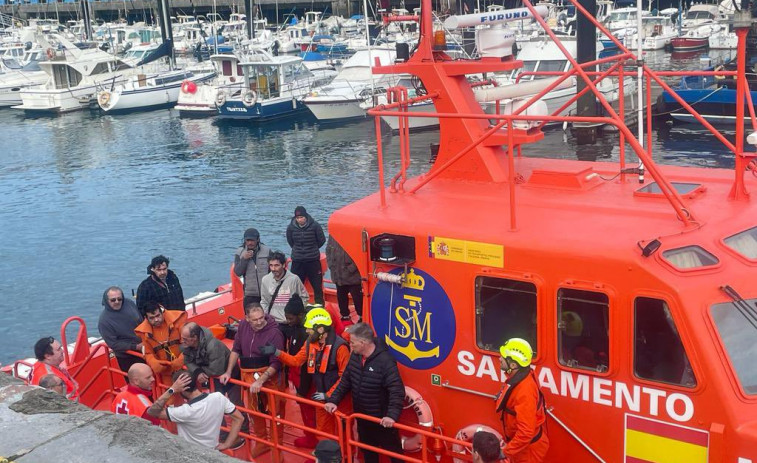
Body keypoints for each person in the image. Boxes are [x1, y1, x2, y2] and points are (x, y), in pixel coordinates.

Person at [262, 306, 351, 439]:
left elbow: (345, 377)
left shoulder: (341, 348)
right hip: (321, 399)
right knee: (323, 434)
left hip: (340, 401)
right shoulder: (310, 343)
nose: (307, 330)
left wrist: (328, 395)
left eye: (310, 328)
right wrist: (276, 352)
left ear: (321, 329)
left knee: (343, 435)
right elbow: (296, 361)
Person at [324, 323, 404, 463]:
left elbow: (396, 390)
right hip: (362, 419)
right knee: (368, 455)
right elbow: (346, 380)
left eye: (352, 342)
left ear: (363, 342)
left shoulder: (386, 362)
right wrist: (333, 399)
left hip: (381, 422)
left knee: (395, 456)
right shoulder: (355, 357)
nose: (351, 345)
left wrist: (391, 416)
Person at [219, 303, 285, 458]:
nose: (260, 322)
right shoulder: (242, 326)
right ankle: (262, 443)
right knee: (256, 412)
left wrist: (261, 380)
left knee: (276, 415)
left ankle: (277, 448)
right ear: (247, 318)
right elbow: (236, 349)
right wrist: (228, 372)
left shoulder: (275, 333)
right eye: (255, 319)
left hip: (271, 380)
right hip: (249, 378)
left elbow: (277, 362)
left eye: (262, 318)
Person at [147, 370, 245, 451]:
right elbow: (239, 418)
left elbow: (152, 412)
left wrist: (172, 389)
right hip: (213, 453)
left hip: (192, 456)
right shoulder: (218, 397)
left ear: (181, 389)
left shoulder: (184, 412)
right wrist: (227, 444)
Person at [495, 338, 549, 463]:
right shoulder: (524, 375)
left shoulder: (524, 391)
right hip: (524, 448)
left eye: (503, 357)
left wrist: (505, 452)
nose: (499, 359)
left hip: (527, 452)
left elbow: (526, 432)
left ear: (513, 365)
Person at [282, 296, 318, 448]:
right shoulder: (296, 329)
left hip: (306, 382)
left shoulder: (306, 334)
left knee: (310, 413)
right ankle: (310, 437)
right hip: (298, 378)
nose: (288, 321)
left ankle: (314, 441)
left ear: (301, 315)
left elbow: (306, 366)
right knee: (306, 412)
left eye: (290, 318)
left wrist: (302, 390)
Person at [134, 301, 187, 390]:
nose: (156, 320)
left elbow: (188, 343)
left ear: (162, 312)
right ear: (146, 318)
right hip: (165, 373)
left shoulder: (177, 321)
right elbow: (148, 353)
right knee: (170, 397)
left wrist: (182, 359)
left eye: (158, 316)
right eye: (152, 318)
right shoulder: (144, 333)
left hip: (185, 367)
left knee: (191, 393)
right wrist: (153, 363)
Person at [98, 286, 144, 378]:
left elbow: (141, 320)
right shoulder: (104, 321)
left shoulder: (129, 303)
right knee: (137, 381)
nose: (117, 302)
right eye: (113, 300)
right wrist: (136, 347)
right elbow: (113, 344)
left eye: (119, 299)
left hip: (144, 347)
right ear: (106, 301)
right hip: (127, 356)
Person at [286, 206, 326, 305]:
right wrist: (298, 250)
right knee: (295, 288)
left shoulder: (315, 226)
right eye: (298, 218)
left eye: (301, 217)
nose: (300, 220)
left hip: (313, 260)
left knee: (317, 287)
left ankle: (320, 307)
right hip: (298, 261)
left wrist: (312, 249)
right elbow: (290, 241)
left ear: (306, 216)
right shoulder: (291, 227)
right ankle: (297, 308)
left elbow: (322, 240)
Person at [260, 250, 309, 324]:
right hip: (273, 322)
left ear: (283, 265)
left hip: (290, 322)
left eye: (276, 265)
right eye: (271, 265)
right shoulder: (265, 280)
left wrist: (295, 315)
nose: (273, 269)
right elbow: (264, 301)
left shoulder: (294, 279)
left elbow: (304, 298)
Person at [325, 235, 363, 322]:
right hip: (338, 274)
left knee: (357, 297)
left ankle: (361, 315)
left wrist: (351, 268)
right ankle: (345, 315)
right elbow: (328, 250)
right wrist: (331, 264)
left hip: (353, 276)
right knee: (341, 296)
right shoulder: (332, 236)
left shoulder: (354, 236)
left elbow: (360, 253)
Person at [234, 227, 272, 306]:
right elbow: (238, 272)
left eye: (252, 240)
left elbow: (274, 270)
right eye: (247, 240)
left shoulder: (267, 251)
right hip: (250, 295)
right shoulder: (240, 252)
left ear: (258, 239)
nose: (250, 243)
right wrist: (244, 259)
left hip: (267, 293)